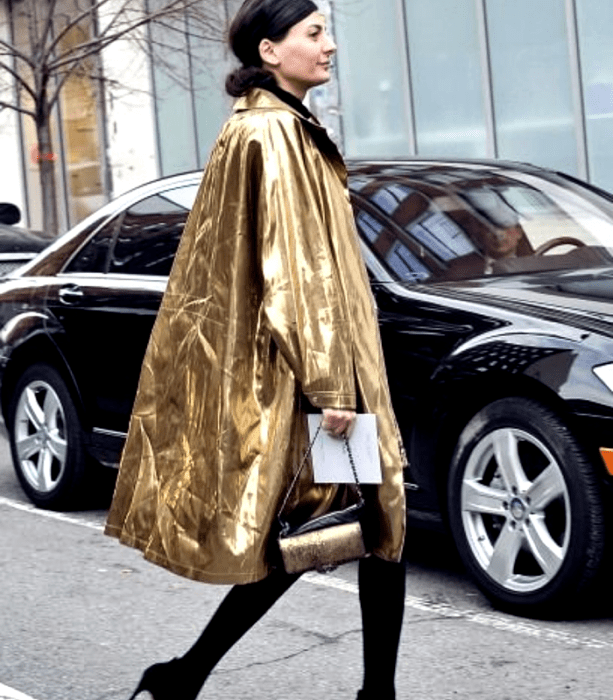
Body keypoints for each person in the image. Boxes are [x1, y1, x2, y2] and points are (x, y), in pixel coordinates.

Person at [104, 1, 407, 699]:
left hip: (328, 368)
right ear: (270, 52)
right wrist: (332, 386)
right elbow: (293, 270)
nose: (329, 46)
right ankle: (193, 675)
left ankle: (188, 677)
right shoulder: (272, 135)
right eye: (313, 34)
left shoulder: (282, 127)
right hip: (318, 377)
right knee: (340, 529)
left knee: (355, 527)